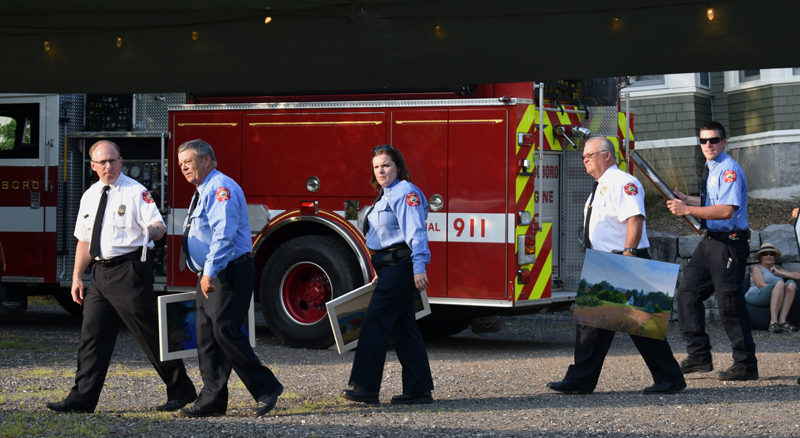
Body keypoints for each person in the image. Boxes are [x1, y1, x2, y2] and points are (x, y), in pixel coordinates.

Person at [46, 140, 197, 413]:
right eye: (102, 162)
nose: (108, 166)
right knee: (92, 337)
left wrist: (148, 233)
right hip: (99, 275)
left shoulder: (136, 191)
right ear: (92, 166)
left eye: (113, 161)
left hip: (129, 272)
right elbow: (83, 241)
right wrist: (77, 277)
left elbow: (158, 226)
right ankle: (82, 399)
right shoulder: (90, 195)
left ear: (121, 161)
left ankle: (181, 390)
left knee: (149, 333)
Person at [546, 137, 685, 395]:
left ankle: (670, 378)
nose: (584, 159)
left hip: (623, 258)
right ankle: (581, 380)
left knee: (643, 325)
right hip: (605, 261)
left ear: (607, 156)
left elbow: (634, 218)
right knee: (593, 327)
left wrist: (629, 252)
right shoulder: (600, 186)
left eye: (589, 154)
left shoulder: (623, 182)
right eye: (584, 155)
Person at [175, 139, 283, 418]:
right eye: (180, 163)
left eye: (189, 161)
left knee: (225, 332)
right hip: (210, 272)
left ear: (207, 160)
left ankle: (266, 387)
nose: (183, 167)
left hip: (228, 270)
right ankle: (212, 400)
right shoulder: (203, 189)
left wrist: (210, 272)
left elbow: (223, 236)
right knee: (207, 337)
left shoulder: (220, 188)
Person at [342, 144, 434, 405]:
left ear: (398, 166)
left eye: (386, 165)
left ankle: (365, 388)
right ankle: (418, 390)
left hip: (401, 266)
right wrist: (379, 268)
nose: (381, 170)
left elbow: (415, 232)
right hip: (389, 268)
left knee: (374, 324)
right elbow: (380, 237)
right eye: (377, 166)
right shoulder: (385, 195)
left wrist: (419, 268)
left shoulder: (404, 192)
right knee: (404, 328)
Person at [667, 121, 758, 381]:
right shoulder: (712, 167)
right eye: (704, 141)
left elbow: (726, 210)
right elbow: (711, 203)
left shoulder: (728, 169)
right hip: (711, 241)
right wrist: (687, 199)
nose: (708, 145)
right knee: (687, 294)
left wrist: (687, 210)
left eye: (714, 140)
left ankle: (745, 364)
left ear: (724, 142)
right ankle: (698, 356)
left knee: (730, 305)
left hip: (729, 243)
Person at [747, 243, 799, 333]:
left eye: (771, 254)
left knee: (792, 284)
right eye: (765, 254)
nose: (768, 256)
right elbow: (760, 284)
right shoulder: (757, 268)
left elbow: (798, 276)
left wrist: (781, 273)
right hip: (756, 295)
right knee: (779, 283)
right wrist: (779, 287)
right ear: (761, 257)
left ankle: (782, 321)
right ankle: (773, 323)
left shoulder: (778, 270)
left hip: (775, 294)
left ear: (774, 257)